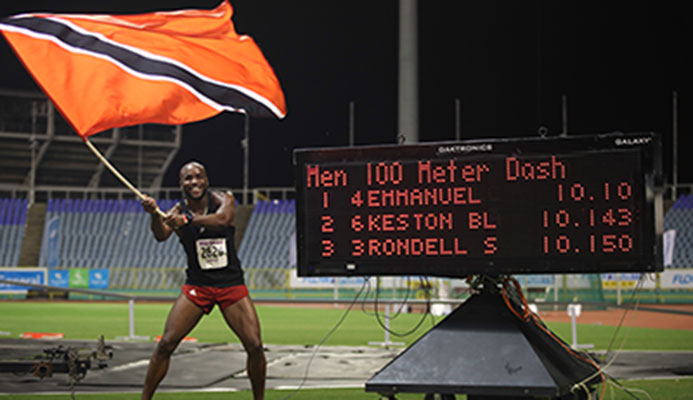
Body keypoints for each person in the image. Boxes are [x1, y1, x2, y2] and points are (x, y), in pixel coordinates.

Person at [140, 161, 265, 400]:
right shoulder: (175, 211)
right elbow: (160, 235)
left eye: (198, 176)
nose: (194, 181)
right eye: (188, 178)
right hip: (198, 286)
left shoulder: (223, 200)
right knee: (166, 344)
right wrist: (153, 215)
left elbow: (223, 220)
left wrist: (188, 221)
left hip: (230, 285)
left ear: (206, 180)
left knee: (255, 346)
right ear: (181, 184)